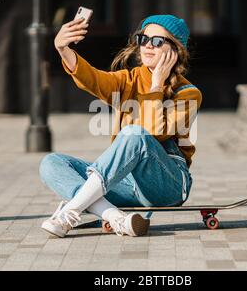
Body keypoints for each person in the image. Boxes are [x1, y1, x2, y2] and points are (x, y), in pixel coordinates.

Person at [39, 14, 202, 238]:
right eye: (143, 39)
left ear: (175, 50)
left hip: (168, 184)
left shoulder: (189, 93)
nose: (147, 46)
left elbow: (155, 133)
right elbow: (93, 80)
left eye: (157, 41)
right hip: (126, 183)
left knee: (134, 133)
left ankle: (70, 212)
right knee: (52, 163)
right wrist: (63, 49)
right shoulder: (129, 79)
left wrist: (156, 85)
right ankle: (116, 218)